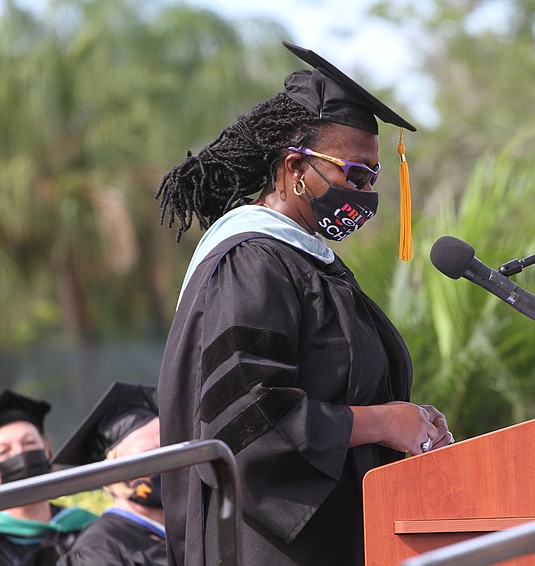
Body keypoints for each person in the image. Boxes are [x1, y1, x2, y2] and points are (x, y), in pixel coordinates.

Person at [156, 41, 453, 566]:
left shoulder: (307, 262)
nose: (365, 192)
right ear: (296, 167)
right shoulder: (252, 261)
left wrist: (412, 423)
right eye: (354, 174)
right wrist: (383, 423)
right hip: (266, 545)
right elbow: (246, 420)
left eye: (373, 177)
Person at [52, 381, 166, 565]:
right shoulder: (97, 549)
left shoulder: (197, 523)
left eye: (170, 451)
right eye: (147, 457)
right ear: (110, 477)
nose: (166, 465)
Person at [0, 389, 97, 565]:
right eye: (4, 451)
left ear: (47, 451)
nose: (21, 454)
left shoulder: (87, 527)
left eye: (29, 443)